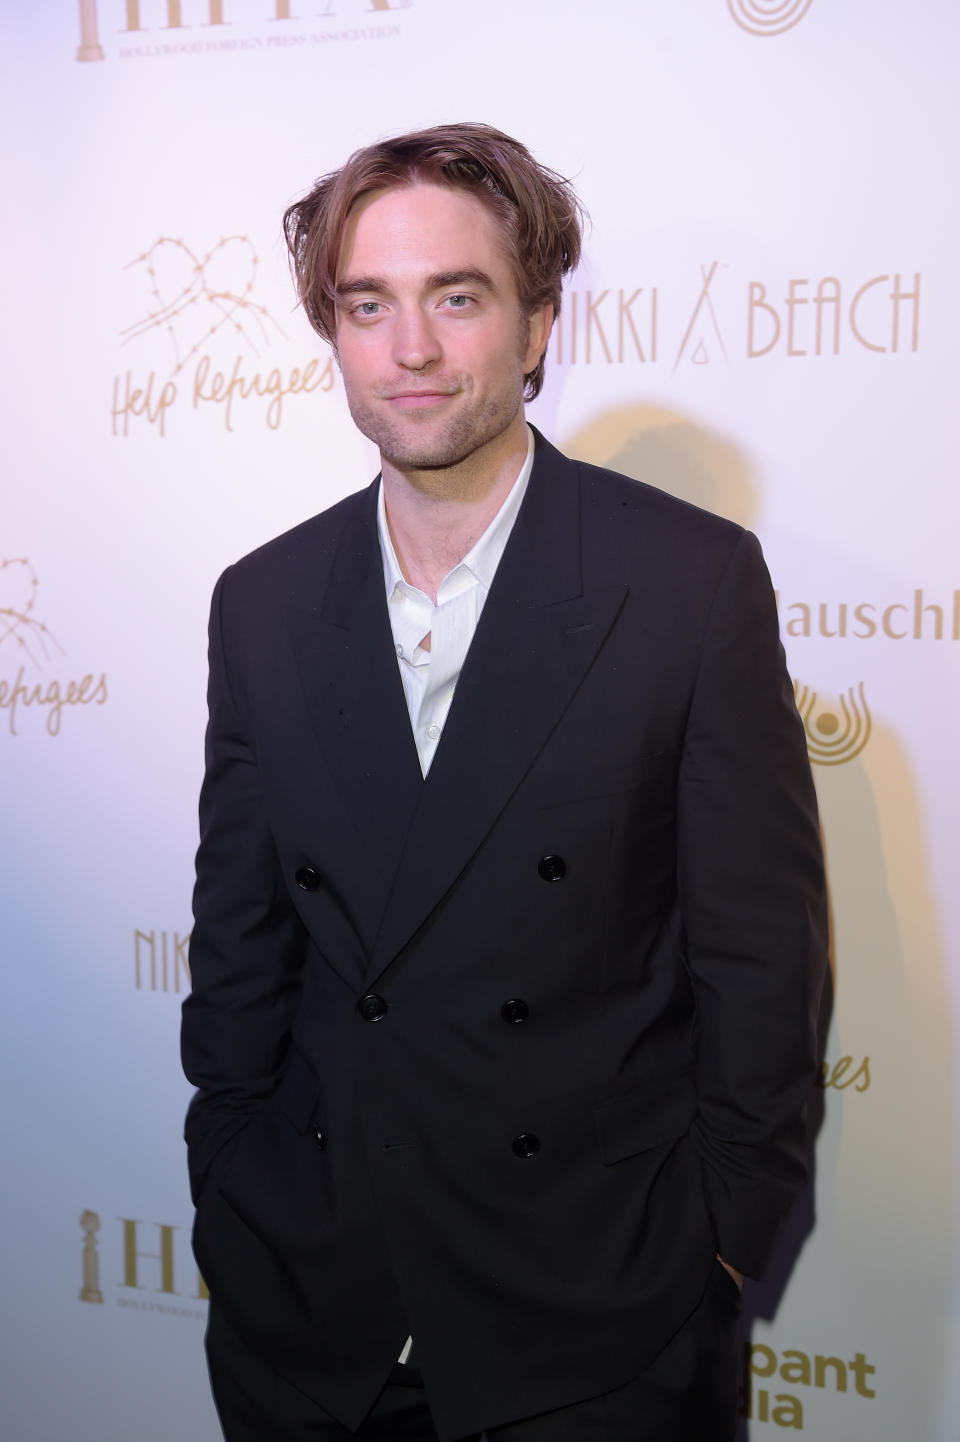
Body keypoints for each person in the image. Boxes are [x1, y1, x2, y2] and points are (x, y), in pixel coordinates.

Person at [181, 122, 827, 1442]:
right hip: (311, 1320)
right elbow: (241, 959)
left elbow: (762, 964)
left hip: (591, 1329)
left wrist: (717, 1250)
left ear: (536, 327)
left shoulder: (687, 584)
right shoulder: (261, 603)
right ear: (335, 332)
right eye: (370, 305)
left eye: (456, 298)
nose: (410, 350)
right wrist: (234, 1191)